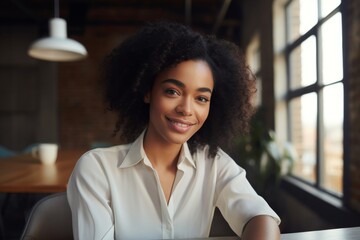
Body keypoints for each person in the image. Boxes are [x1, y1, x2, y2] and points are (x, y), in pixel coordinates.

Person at [67, 21, 281, 240]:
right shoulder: (96, 169)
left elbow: (260, 217)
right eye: (172, 91)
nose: (186, 109)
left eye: (201, 98)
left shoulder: (214, 164)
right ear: (147, 92)